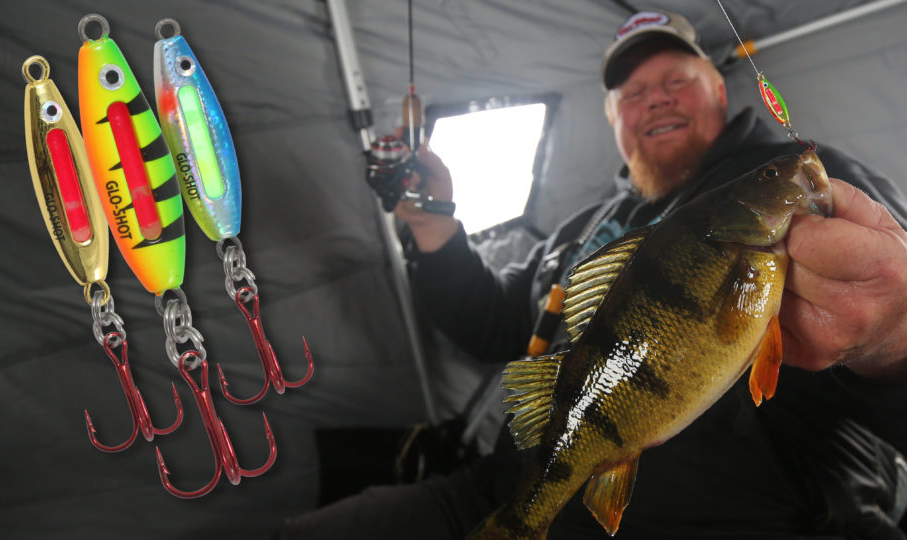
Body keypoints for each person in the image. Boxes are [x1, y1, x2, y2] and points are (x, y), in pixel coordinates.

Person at [280, 11, 907, 539]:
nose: (654, 98)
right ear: (614, 121)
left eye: (676, 80)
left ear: (718, 89)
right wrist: (437, 228)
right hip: (516, 482)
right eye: (631, 94)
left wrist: (894, 339)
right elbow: (496, 324)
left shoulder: (801, 181)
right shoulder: (588, 225)